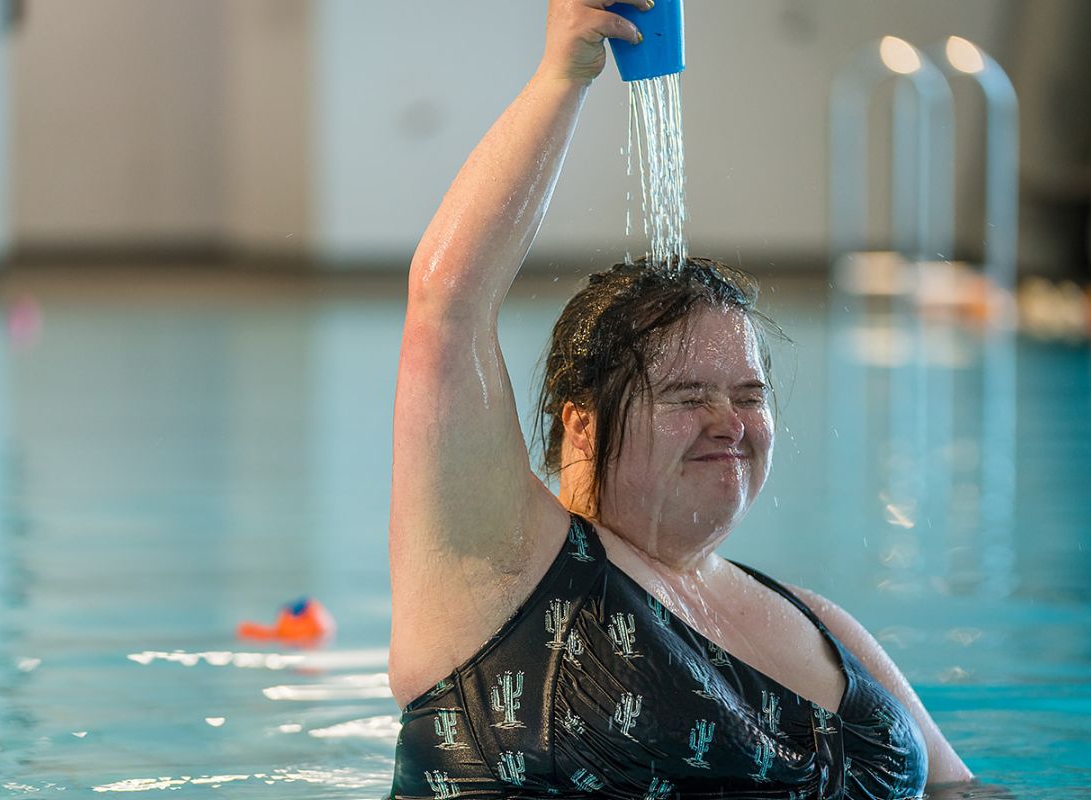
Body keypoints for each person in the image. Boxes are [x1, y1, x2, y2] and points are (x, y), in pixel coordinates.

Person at [387, 1, 975, 797]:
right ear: (582, 427)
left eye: (748, 394)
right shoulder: (502, 573)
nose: (730, 422)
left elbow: (963, 790)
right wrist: (565, 74)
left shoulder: (825, 627)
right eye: (689, 395)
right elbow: (446, 306)